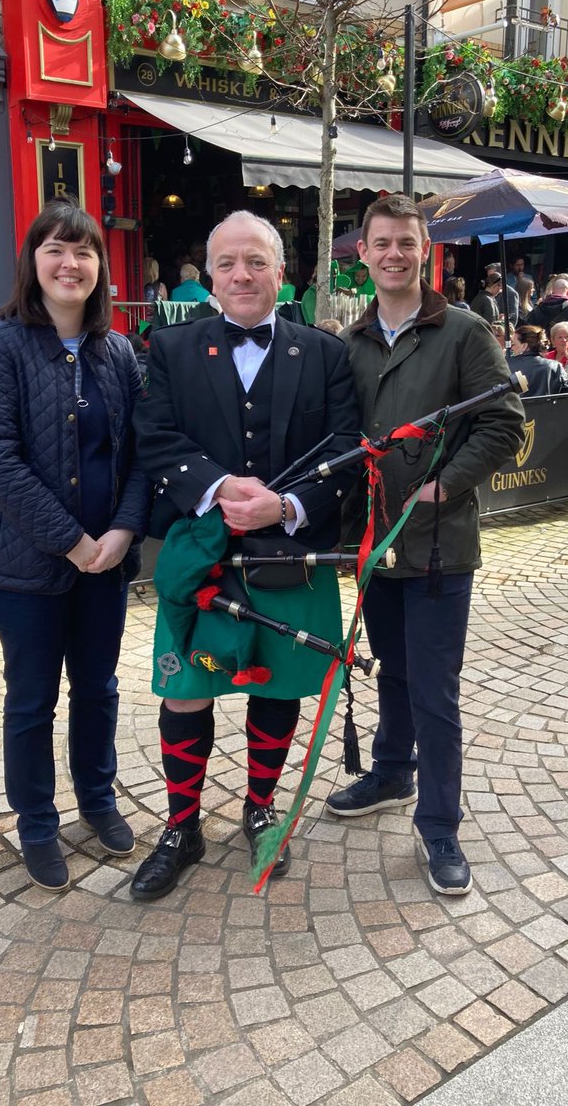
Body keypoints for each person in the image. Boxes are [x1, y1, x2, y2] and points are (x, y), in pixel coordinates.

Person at [130, 210, 359, 901]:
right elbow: (156, 439)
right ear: (208, 273)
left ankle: (263, 809)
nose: (241, 275)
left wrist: (286, 508)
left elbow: (348, 451)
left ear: (281, 273)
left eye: (256, 261)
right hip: (199, 554)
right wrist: (225, 487)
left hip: (288, 554)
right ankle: (182, 826)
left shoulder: (325, 354)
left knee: (277, 686)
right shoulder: (169, 349)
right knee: (186, 692)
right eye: (227, 262)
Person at [325, 195, 525, 896]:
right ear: (364, 254)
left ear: (424, 249)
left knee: (436, 691)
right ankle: (390, 774)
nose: (393, 255)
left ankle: (439, 825)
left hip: (440, 544)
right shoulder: (350, 345)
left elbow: (503, 423)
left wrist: (447, 486)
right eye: (381, 244)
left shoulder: (465, 333)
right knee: (394, 672)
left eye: (405, 243)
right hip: (378, 546)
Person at [0, 199, 150, 893]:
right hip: (24, 565)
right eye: (56, 250)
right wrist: (72, 542)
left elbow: (140, 455)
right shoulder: (2, 346)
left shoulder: (119, 351)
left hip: (108, 558)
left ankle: (97, 800)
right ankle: (37, 822)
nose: (70, 264)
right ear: (33, 263)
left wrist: (124, 530)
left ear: (100, 268)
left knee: (98, 689)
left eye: (85, 252)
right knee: (32, 697)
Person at [507, 324, 568, 396]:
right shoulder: (554, 366)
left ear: (524, 346)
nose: (511, 348)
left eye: (513, 344)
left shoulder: (507, 366)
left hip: (518, 407)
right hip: (547, 407)